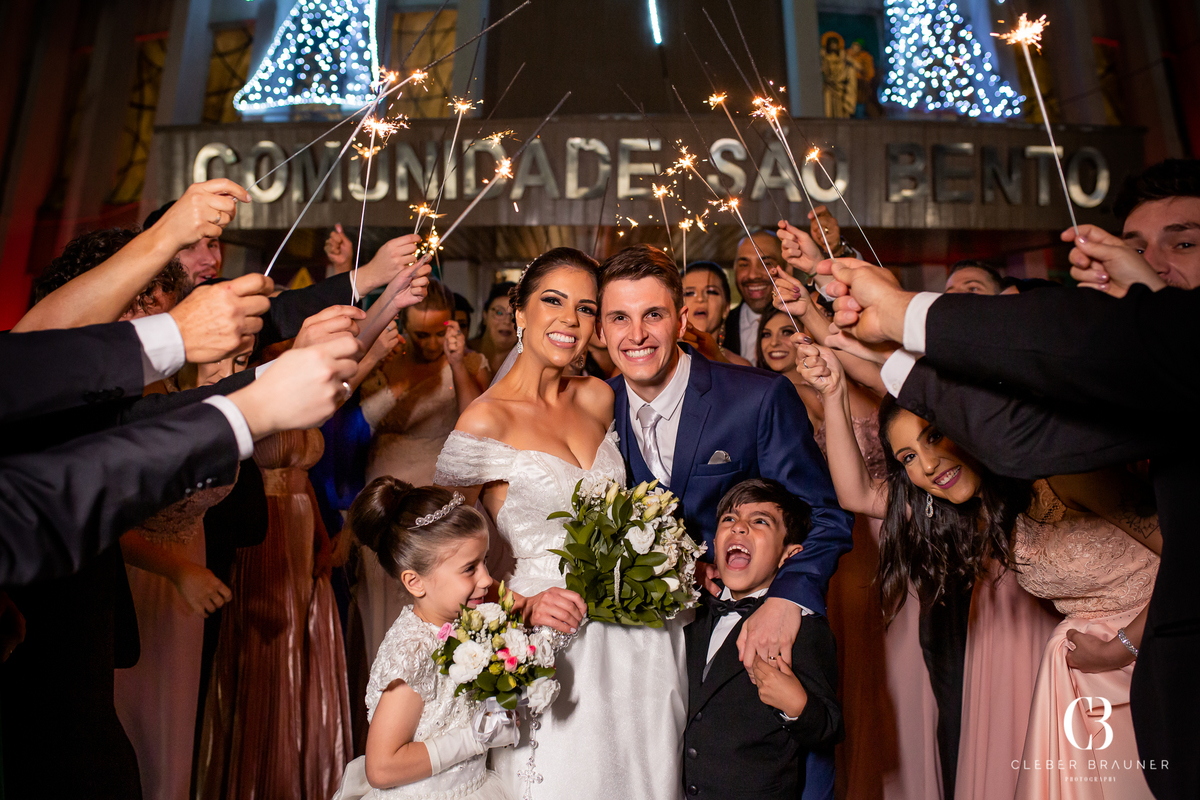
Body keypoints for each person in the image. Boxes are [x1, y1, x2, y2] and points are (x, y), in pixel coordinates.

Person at [803, 238, 1195, 796]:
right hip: (1086, 682)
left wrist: (1126, 643)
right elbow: (860, 495)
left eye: (935, 438)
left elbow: (1187, 558)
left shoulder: (1065, 477)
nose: (928, 465)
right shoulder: (985, 510)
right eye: (908, 459)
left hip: (1158, 659)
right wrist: (834, 389)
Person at [600, 244, 852, 799]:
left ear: (682, 319)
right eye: (619, 316)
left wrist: (787, 600)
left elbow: (828, 516)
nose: (636, 334)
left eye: (653, 315)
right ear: (599, 327)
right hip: (648, 655)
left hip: (760, 649)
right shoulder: (597, 407)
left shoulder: (757, 399)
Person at [434, 247, 687, 800]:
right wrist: (516, 604)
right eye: (553, 301)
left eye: (587, 308)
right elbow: (436, 557)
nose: (571, 320)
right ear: (519, 311)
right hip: (550, 637)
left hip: (640, 637)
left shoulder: (600, 397)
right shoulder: (485, 419)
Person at [332, 480, 517, 800]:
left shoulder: (468, 624)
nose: (487, 579)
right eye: (469, 568)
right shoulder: (413, 654)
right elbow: (381, 767)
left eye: (484, 562)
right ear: (415, 582)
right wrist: (475, 738)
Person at [357, 278, 491, 662]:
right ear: (401, 324)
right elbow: (359, 421)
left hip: (439, 497)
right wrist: (403, 381)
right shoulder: (386, 360)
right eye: (421, 334)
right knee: (384, 596)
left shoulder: (468, 362)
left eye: (440, 332)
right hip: (385, 498)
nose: (431, 343)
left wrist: (455, 364)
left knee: (442, 591)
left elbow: (477, 418)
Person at [683, 479, 843, 799]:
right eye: (729, 519)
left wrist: (797, 705)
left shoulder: (803, 628)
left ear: (790, 555)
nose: (739, 528)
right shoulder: (690, 612)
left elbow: (829, 728)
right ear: (714, 542)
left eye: (759, 521)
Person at [680, 262, 750, 365]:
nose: (700, 299)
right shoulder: (663, 359)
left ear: (726, 308)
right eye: (689, 293)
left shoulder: (742, 367)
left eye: (711, 291)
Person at [468, 281, 519, 375]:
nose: (507, 321)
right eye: (499, 313)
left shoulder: (528, 362)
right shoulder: (465, 353)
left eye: (513, 315)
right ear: (485, 315)